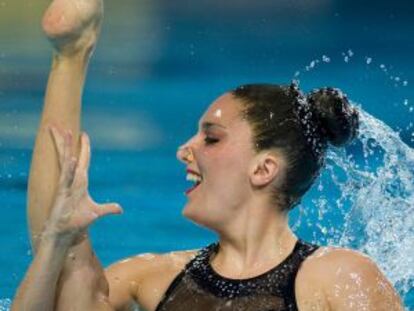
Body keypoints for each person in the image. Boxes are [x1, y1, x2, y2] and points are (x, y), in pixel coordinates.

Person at [12, 0, 405, 310]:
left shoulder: (339, 277)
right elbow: (60, 297)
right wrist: (58, 240)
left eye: (211, 139)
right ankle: (74, 52)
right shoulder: (152, 279)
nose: (184, 149)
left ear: (264, 168)